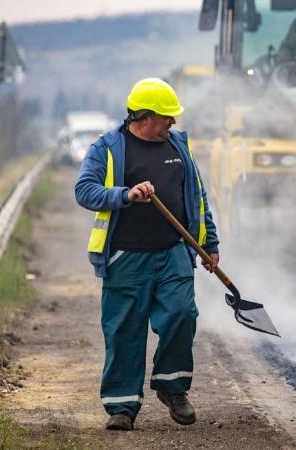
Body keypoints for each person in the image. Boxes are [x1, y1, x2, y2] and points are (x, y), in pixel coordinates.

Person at [74, 78, 220, 431]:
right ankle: (121, 407)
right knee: (125, 330)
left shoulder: (179, 146)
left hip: (173, 253)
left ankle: (173, 389)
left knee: (182, 315)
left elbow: (197, 198)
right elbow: (85, 190)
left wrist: (210, 244)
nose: (172, 124)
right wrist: (125, 195)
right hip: (126, 257)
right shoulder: (108, 147)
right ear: (144, 116)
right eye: (166, 118)